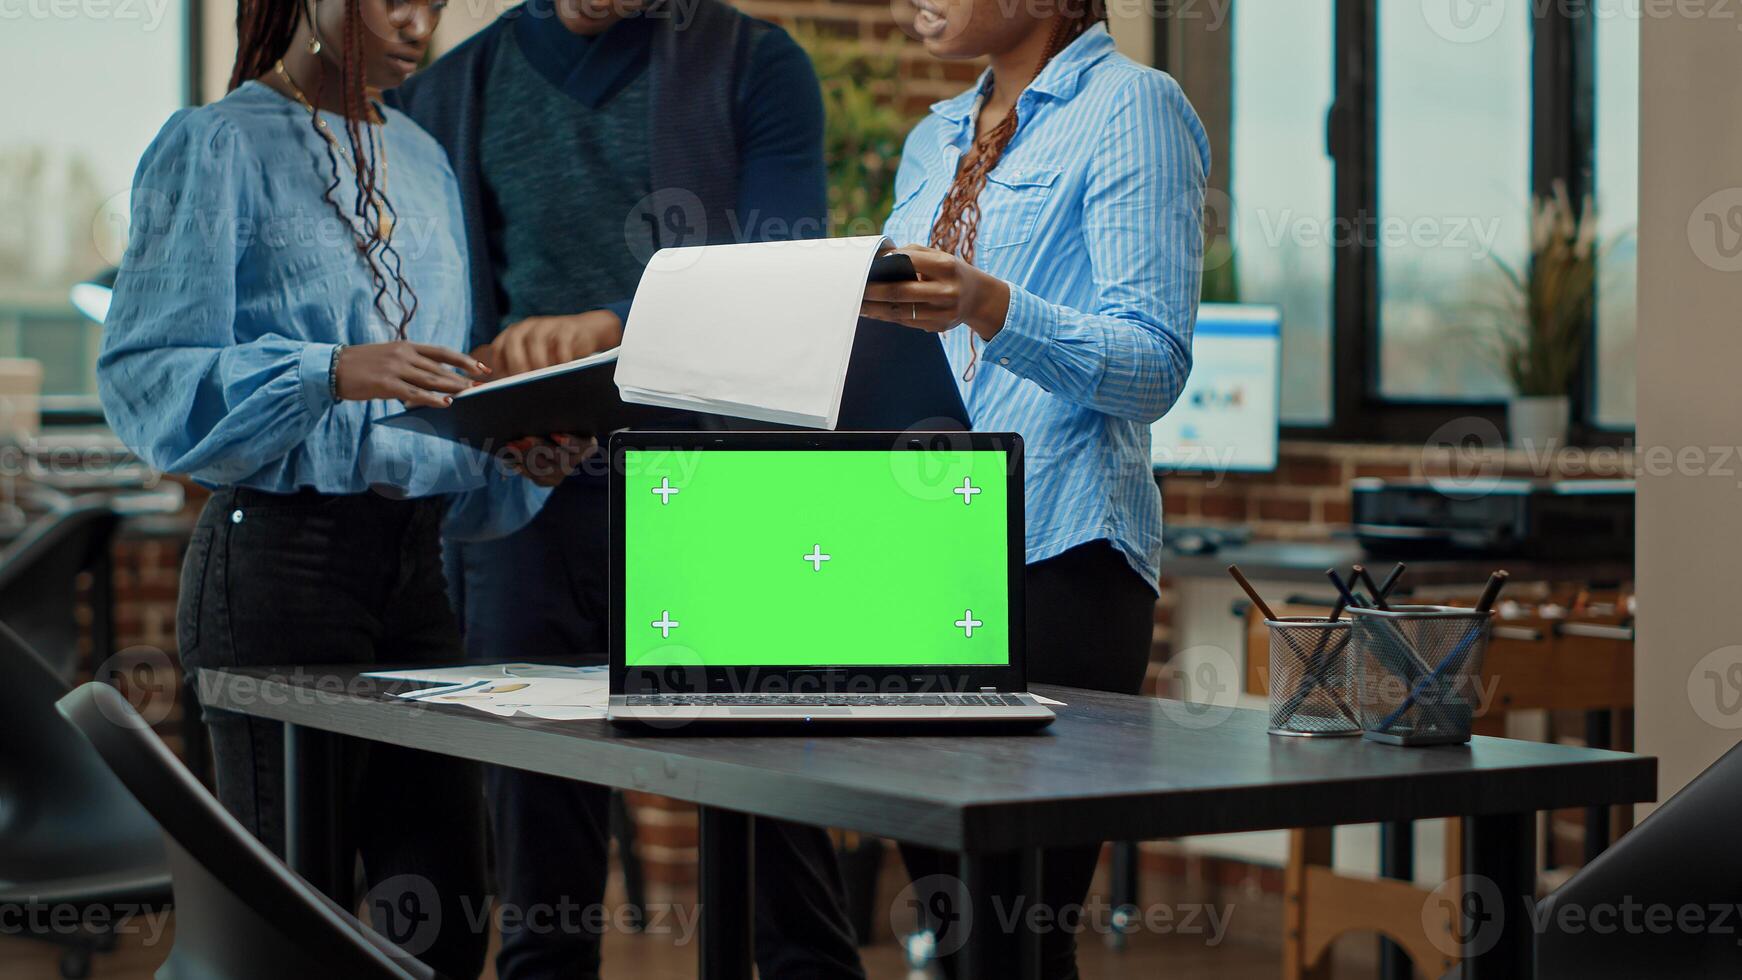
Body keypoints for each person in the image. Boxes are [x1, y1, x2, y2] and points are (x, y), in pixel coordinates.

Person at [389, 2, 867, 978]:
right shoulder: (445, 95)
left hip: (728, 511)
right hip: (525, 512)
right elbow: (430, 317)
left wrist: (617, 326)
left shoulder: (754, 66)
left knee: (788, 885)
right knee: (539, 874)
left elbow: (789, 288)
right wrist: (498, 378)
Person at [96, 0, 567, 973]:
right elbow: (146, 374)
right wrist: (326, 370)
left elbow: (429, 405)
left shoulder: (425, 160)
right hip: (275, 567)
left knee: (443, 903)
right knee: (285, 916)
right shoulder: (213, 143)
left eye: (436, 3)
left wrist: (512, 455)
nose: (418, 20)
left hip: (415, 571)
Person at [860, 0, 1209, 974]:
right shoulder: (931, 137)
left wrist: (988, 304)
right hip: (922, 565)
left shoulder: (1132, 106)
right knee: (958, 930)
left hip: (1058, 553)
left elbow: (1152, 364)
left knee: (1018, 933)